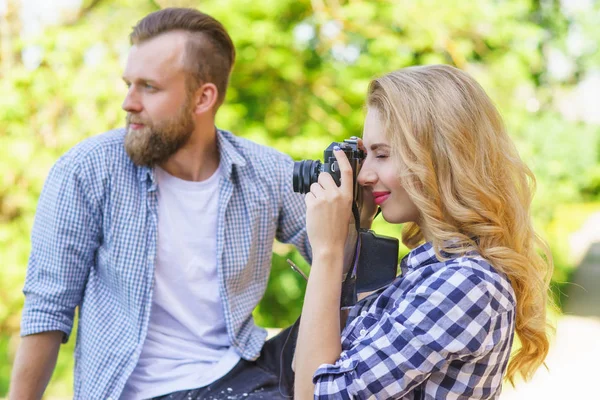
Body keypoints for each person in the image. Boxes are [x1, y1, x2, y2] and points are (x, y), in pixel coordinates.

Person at [9, 7, 311, 400]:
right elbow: (48, 309)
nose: (128, 102)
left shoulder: (265, 171)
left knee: (370, 308)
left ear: (203, 98)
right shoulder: (87, 170)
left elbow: (341, 258)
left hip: (241, 373)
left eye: (149, 87)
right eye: (128, 84)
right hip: (135, 391)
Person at [293, 65, 553, 399]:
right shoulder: (429, 274)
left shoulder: (465, 285)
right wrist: (349, 240)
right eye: (365, 155)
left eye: (382, 154)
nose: (363, 176)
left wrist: (327, 251)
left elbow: (313, 393)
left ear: (439, 157)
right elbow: (322, 363)